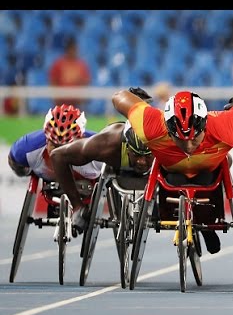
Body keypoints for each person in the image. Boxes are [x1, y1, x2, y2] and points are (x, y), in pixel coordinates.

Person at [112, 89, 233, 254]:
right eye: (179, 139)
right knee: (180, 177)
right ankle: (166, 209)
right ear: (168, 128)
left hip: (208, 173)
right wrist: (139, 103)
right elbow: (118, 97)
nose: (188, 146)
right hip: (170, 174)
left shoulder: (226, 126)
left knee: (225, 162)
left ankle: (206, 225)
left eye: (194, 138)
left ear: (204, 127)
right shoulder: (152, 124)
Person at [50, 102, 155, 233]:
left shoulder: (168, 146)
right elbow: (57, 156)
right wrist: (77, 206)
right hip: (115, 151)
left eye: (147, 156)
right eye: (136, 154)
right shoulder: (107, 145)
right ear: (127, 147)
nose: (141, 161)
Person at [8, 104, 103, 236]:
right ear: (46, 139)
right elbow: (15, 163)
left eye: (66, 147)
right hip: (51, 183)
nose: (59, 154)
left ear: (80, 140)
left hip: (87, 184)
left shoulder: (97, 148)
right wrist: (26, 172)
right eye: (54, 145)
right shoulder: (25, 148)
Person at [48, 36, 91, 109]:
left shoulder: (81, 65)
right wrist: (57, 98)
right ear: (67, 49)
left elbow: (85, 83)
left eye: (74, 48)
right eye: (71, 49)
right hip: (61, 105)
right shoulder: (58, 64)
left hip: (77, 105)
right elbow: (53, 82)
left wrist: (80, 97)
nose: (73, 51)